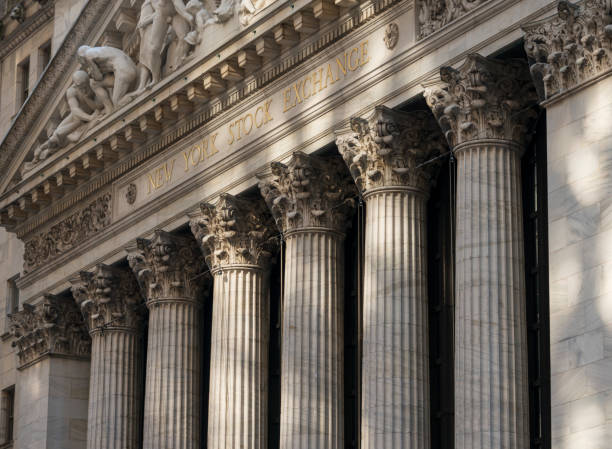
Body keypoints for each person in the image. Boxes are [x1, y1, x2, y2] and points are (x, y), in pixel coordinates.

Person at [25, 71, 105, 171]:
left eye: (85, 85)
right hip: (76, 118)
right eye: (81, 86)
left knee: (60, 135)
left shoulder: (93, 84)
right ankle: (41, 150)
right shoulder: (71, 91)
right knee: (58, 134)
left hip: (88, 116)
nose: (84, 88)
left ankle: (42, 149)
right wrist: (90, 118)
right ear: (76, 85)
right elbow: (75, 111)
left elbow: (100, 102)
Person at [77, 45, 138, 112]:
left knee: (117, 102)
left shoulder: (87, 55)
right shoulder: (102, 49)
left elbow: (98, 77)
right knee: (95, 84)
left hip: (123, 71)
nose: (86, 64)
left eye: (84, 63)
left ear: (81, 57)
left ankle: (138, 93)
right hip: (131, 67)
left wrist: (91, 74)